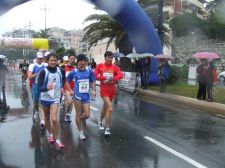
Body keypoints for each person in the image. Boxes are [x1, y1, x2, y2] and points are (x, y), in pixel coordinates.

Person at [66, 54, 96, 140]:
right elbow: (67, 81)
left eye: (84, 61)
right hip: (77, 96)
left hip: (86, 96)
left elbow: (93, 80)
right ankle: (80, 132)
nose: (83, 62)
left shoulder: (89, 70)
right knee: (78, 113)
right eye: (81, 61)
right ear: (77, 61)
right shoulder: (74, 71)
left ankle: (79, 119)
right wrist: (70, 90)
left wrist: (94, 90)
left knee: (87, 115)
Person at [38, 53, 65, 149]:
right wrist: (46, 87)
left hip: (55, 98)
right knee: (47, 118)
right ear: (47, 61)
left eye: (55, 60)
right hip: (45, 97)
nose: (53, 62)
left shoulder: (61, 70)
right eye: (51, 60)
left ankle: (57, 139)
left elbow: (63, 80)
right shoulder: (43, 72)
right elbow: (39, 87)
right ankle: (50, 135)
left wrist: (62, 87)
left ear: (57, 61)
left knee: (54, 118)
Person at [94, 51, 123, 136]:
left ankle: (100, 121)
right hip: (104, 90)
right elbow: (94, 76)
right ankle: (107, 128)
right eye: (109, 57)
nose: (110, 59)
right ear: (105, 57)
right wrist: (104, 78)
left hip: (112, 91)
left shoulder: (114, 67)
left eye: (111, 57)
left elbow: (120, 75)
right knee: (109, 108)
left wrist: (113, 78)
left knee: (105, 108)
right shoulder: (100, 66)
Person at [28, 52, 46, 129]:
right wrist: (38, 74)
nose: (40, 59)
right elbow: (29, 77)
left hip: (42, 86)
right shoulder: (32, 66)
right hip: (35, 86)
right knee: (35, 103)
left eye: (41, 58)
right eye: (38, 58)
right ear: (36, 58)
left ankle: (42, 122)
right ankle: (36, 111)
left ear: (43, 58)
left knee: (41, 104)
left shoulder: (45, 65)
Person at [61, 54, 76, 123]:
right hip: (66, 87)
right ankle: (66, 112)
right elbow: (61, 78)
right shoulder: (64, 67)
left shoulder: (75, 68)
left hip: (74, 88)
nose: (72, 60)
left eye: (74, 59)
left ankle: (68, 114)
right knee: (70, 101)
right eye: (71, 58)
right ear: (69, 59)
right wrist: (61, 87)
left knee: (71, 102)